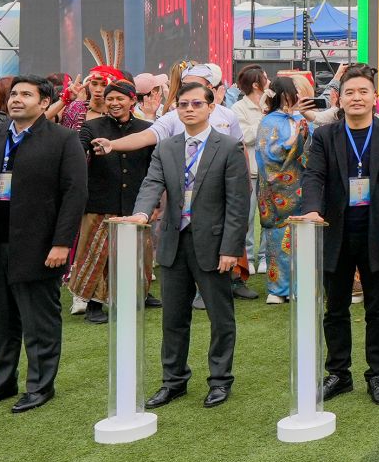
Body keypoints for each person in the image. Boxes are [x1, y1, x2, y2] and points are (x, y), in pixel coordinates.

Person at [0, 76, 88, 412]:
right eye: (13, 94)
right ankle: (2, 381)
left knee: (40, 322)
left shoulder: (64, 139)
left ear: (44, 102)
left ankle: (40, 385)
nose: (16, 99)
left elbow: (74, 194)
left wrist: (62, 243)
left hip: (39, 246)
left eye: (26, 94)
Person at [120, 80, 249, 408]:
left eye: (196, 104)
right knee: (173, 318)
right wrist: (141, 213)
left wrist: (231, 249)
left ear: (211, 107)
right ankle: (173, 381)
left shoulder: (229, 147)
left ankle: (220, 380)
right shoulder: (166, 148)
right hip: (173, 242)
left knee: (220, 318)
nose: (189, 109)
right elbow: (152, 183)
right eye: (183, 104)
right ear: (176, 109)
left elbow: (238, 202)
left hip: (214, 245)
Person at [292, 64, 379, 406]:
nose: (356, 97)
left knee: (378, 309)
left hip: (378, 234)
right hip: (336, 232)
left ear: (374, 97)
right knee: (335, 308)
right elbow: (313, 176)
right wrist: (312, 209)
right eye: (349, 92)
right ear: (339, 99)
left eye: (363, 91)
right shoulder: (325, 136)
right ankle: (339, 373)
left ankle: (377, 374)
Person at [69, 81, 153, 325]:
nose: (114, 103)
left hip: (135, 202)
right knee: (96, 255)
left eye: (120, 98)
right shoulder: (92, 127)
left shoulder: (146, 129)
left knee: (137, 253)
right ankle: (94, 304)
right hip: (100, 201)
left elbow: (152, 167)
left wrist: (155, 203)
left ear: (132, 100)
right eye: (110, 99)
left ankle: (137, 295)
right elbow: (78, 152)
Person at [256, 75, 310, 303]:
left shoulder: (303, 118)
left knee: (302, 236)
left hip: (301, 184)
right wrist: (292, 142)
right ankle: (278, 288)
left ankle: (300, 286)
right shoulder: (269, 122)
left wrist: (304, 137)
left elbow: (312, 151)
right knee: (277, 237)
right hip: (275, 190)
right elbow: (267, 154)